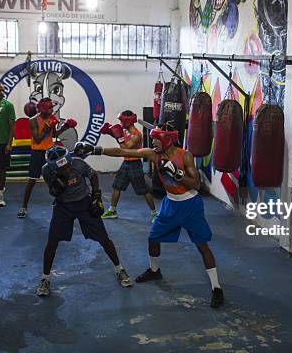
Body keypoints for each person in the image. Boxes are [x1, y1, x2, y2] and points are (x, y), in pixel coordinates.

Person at [74, 124, 224, 308]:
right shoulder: (154, 154)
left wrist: (177, 174)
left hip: (190, 205)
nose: (153, 142)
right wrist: (96, 149)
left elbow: (196, 184)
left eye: (156, 139)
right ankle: (155, 270)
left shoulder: (185, 155)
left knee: (202, 245)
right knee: (153, 238)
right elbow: (123, 151)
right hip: (170, 203)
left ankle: (216, 288)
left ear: (167, 139)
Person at [36, 146, 132, 297]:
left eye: (68, 166)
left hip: (84, 204)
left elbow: (92, 174)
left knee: (104, 239)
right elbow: (52, 190)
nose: (67, 169)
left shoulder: (78, 163)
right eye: (63, 168)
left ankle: (120, 269)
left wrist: (97, 195)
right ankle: (45, 278)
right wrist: (57, 187)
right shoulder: (47, 170)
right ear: (54, 168)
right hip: (63, 207)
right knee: (52, 243)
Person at [17, 98, 76, 218]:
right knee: (32, 180)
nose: (51, 110)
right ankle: (24, 207)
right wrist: (47, 127)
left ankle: (63, 203)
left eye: (51, 108)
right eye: (49, 108)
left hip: (50, 152)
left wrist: (65, 127)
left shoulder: (51, 119)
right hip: (37, 152)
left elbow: (54, 135)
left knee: (59, 178)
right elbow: (38, 139)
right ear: (42, 109)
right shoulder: (33, 121)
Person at [99, 110, 157, 221]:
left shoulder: (136, 135)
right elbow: (120, 137)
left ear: (127, 122)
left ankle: (154, 213)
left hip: (135, 164)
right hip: (126, 163)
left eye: (121, 121)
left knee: (143, 190)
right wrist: (110, 132)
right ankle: (112, 210)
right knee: (117, 186)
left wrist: (117, 136)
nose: (120, 123)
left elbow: (125, 148)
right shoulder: (124, 131)